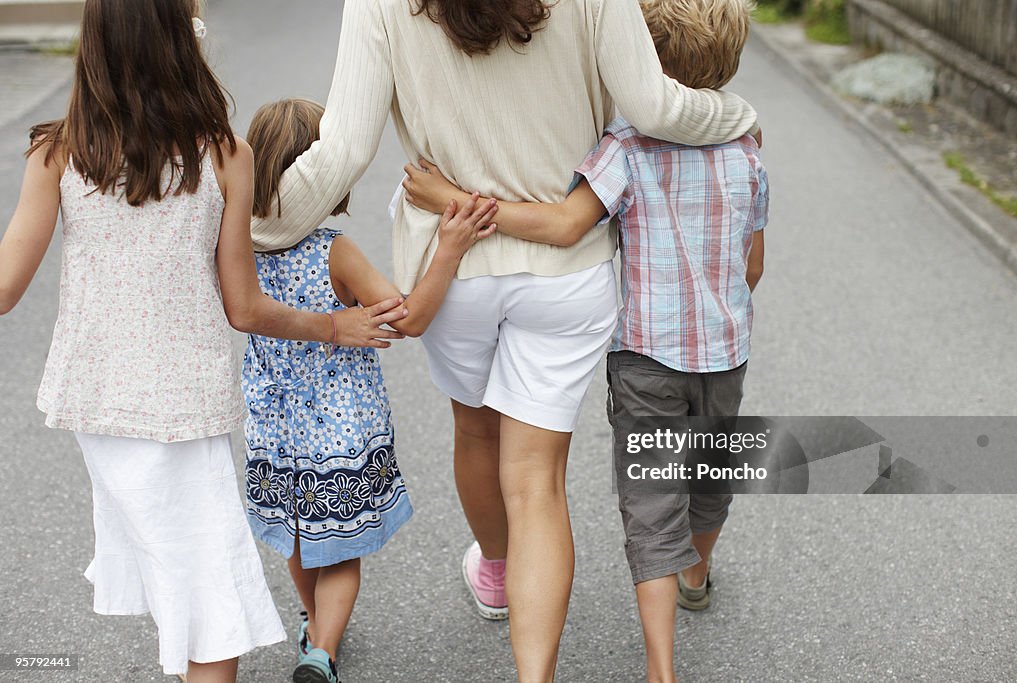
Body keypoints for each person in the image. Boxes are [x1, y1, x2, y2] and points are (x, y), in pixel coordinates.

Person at [249, 0, 759, 679]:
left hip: (453, 264)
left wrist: (254, 226)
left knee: (476, 432)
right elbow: (658, 109)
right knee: (537, 481)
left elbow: (342, 149)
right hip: (563, 272)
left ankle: (496, 570)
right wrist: (737, 115)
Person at [0, 2, 408, 681]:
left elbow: (6, 286)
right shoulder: (223, 154)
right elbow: (244, 306)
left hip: (97, 405)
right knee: (212, 600)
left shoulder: (59, 152)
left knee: (183, 576)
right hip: (182, 410)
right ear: (178, 42)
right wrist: (333, 326)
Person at [402, 1, 768, 680]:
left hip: (646, 356)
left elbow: (568, 224)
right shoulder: (746, 143)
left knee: (651, 506)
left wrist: (453, 198)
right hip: (726, 351)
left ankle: (662, 668)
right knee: (711, 478)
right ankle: (700, 573)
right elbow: (753, 263)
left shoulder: (626, 145)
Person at [242, 98, 497, 683]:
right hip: (341, 431)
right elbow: (406, 319)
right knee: (342, 555)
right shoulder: (333, 251)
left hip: (274, 428)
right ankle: (321, 653)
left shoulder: (240, 248)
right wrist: (449, 250)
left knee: (301, 542)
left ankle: (313, 625)